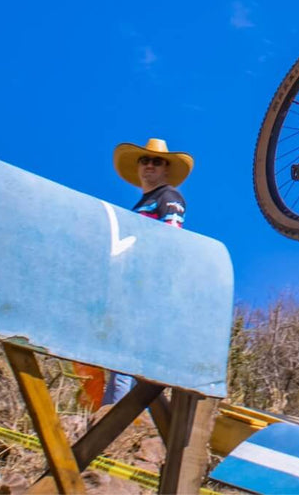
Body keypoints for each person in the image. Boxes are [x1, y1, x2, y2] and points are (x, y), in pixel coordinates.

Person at [102, 137, 192, 404]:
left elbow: (171, 237)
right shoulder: (141, 205)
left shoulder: (169, 197)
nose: (150, 165)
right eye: (145, 160)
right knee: (121, 359)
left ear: (166, 169)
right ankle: (118, 415)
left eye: (157, 161)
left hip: (148, 287)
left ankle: (116, 420)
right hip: (130, 286)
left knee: (124, 358)